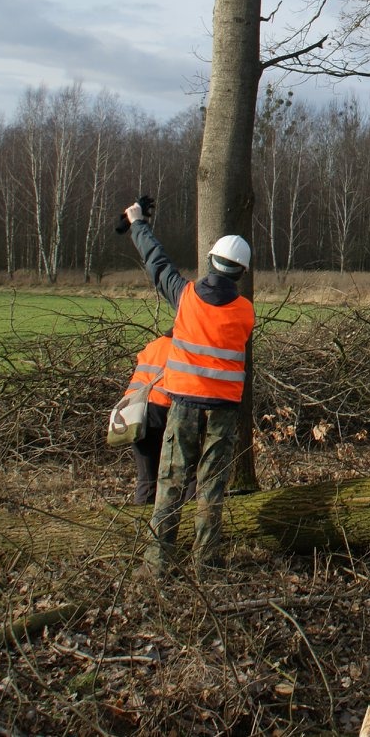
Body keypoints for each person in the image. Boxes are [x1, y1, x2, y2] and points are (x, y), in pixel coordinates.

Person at [123, 200, 255, 573]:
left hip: (182, 406)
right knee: (211, 485)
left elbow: (157, 263)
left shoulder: (185, 297)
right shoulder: (246, 311)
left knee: (170, 482)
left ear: (212, 260)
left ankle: (157, 562)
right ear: (241, 271)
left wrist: (138, 224)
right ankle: (206, 563)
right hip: (224, 411)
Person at [123, 335, 176, 506]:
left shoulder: (153, 345)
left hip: (135, 410)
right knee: (188, 473)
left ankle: (141, 521)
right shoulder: (183, 346)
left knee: (146, 478)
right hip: (162, 409)